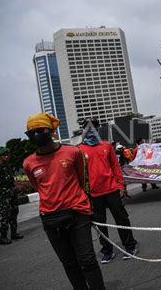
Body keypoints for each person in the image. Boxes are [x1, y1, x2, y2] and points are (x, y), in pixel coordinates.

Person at [22, 113, 105, 289]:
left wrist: (85, 206)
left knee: (87, 260)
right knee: (69, 263)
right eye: (31, 133)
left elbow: (84, 181)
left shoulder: (73, 152)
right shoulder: (28, 163)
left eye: (40, 130)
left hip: (77, 213)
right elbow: (39, 187)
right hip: (50, 218)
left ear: (50, 131)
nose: (36, 135)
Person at [78, 119, 138, 264]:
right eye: (88, 128)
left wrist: (121, 186)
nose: (92, 130)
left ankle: (130, 246)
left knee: (121, 218)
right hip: (93, 194)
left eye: (94, 127)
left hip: (111, 190)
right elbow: (79, 174)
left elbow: (115, 167)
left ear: (98, 129)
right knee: (100, 224)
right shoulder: (79, 150)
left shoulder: (106, 146)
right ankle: (107, 251)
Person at [0, 147, 23, 245]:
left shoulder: (10, 166)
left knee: (14, 213)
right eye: (4, 155)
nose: (6, 157)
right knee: (5, 216)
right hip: (3, 195)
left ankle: (14, 233)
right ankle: (3, 237)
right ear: (0, 156)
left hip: (12, 193)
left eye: (8, 155)